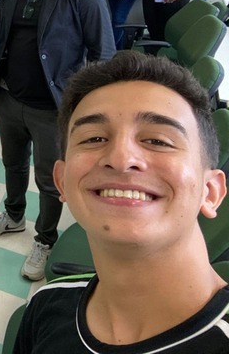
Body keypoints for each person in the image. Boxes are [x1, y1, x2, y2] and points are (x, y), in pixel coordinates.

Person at [15, 51, 229, 353]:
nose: (120, 159)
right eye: (94, 138)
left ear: (210, 191)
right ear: (62, 181)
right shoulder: (47, 304)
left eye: (157, 141)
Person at [0, 0, 115, 281]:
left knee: (50, 179)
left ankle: (45, 238)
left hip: (52, 107)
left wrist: (87, 108)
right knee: (13, 164)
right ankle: (14, 215)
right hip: (8, 100)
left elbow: (104, 56)